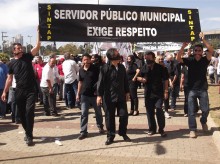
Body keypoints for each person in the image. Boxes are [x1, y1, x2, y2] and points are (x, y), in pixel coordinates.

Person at [1, 27, 41, 146]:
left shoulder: (28, 57)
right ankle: (28, 132)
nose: (20, 49)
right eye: (17, 48)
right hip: (19, 91)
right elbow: (9, 78)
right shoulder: (11, 63)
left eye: (20, 47)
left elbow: (38, 46)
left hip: (31, 91)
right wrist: (4, 92)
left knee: (29, 112)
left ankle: (29, 135)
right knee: (21, 115)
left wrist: (38, 32)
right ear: (13, 51)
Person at [176, 32, 214, 138]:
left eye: (199, 50)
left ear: (202, 52)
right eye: (195, 50)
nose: (197, 52)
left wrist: (204, 40)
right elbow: (178, 58)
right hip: (191, 89)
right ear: (193, 51)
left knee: (205, 109)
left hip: (203, 89)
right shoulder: (190, 60)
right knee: (191, 111)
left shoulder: (205, 60)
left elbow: (211, 50)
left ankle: (203, 121)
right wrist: (183, 46)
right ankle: (192, 129)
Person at [97, 48, 131, 145]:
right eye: (117, 54)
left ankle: (123, 133)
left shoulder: (121, 67)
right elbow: (100, 82)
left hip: (120, 96)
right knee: (109, 117)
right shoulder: (104, 68)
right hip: (108, 97)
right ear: (112, 56)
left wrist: (127, 92)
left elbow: (125, 80)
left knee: (124, 115)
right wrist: (99, 95)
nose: (119, 55)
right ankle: (110, 136)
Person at [138, 51, 168, 137]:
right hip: (148, 93)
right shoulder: (143, 68)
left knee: (159, 109)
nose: (147, 59)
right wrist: (141, 79)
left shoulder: (161, 68)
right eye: (146, 57)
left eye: (149, 57)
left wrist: (166, 91)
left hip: (159, 93)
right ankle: (152, 129)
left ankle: (161, 129)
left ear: (153, 58)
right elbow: (139, 76)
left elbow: (165, 79)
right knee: (149, 112)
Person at [76, 54, 104, 140]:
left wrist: (99, 93)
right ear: (82, 60)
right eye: (84, 60)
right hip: (84, 95)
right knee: (84, 113)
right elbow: (80, 82)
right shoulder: (80, 70)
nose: (86, 61)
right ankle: (83, 132)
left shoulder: (95, 69)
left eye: (87, 59)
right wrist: (78, 93)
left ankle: (100, 126)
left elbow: (100, 81)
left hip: (95, 95)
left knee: (98, 112)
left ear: (90, 60)